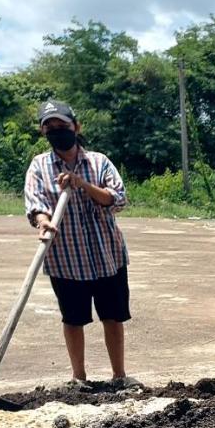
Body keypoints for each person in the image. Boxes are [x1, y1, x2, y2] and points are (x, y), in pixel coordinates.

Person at [23, 100, 137, 390]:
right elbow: (36, 204)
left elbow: (117, 199)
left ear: (76, 127)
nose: (57, 133)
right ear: (43, 132)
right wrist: (42, 221)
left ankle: (119, 377)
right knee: (73, 319)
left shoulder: (98, 162)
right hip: (67, 258)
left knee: (113, 316)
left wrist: (81, 184)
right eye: (50, 129)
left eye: (62, 127)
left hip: (107, 255)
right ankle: (79, 378)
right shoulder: (39, 166)